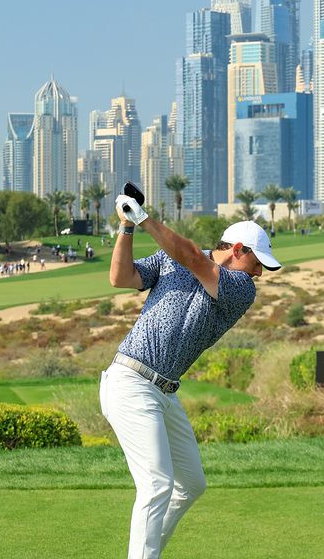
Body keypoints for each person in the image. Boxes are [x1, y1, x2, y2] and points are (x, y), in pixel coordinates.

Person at [101, 193, 280, 559]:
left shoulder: (241, 289)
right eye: (258, 263)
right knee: (156, 484)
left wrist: (145, 217)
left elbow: (195, 259)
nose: (260, 273)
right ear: (239, 249)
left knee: (191, 484)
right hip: (130, 382)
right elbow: (121, 277)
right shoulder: (172, 258)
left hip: (164, 392)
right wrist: (127, 226)